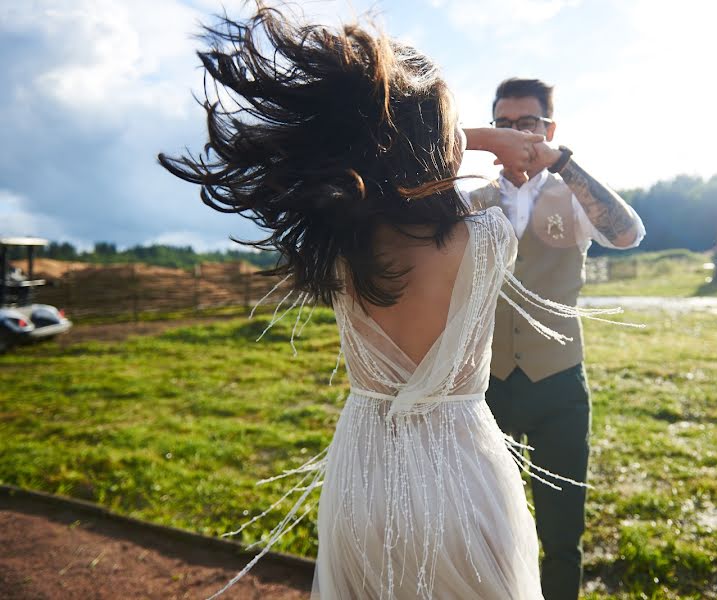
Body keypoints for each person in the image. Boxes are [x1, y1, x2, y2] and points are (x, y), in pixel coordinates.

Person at [159, 7, 624, 600]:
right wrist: (497, 141)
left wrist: (454, 134)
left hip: (362, 473)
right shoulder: (486, 236)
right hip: (461, 477)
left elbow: (393, 168)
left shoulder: (339, 235)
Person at [467, 78, 646, 600]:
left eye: (527, 123)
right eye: (504, 123)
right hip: (487, 388)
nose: (516, 133)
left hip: (559, 389)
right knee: (490, 531)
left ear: (550, 128)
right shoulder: (473, 201)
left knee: (562, 537)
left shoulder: (572, 197)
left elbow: (628, 234)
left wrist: (561, 161)